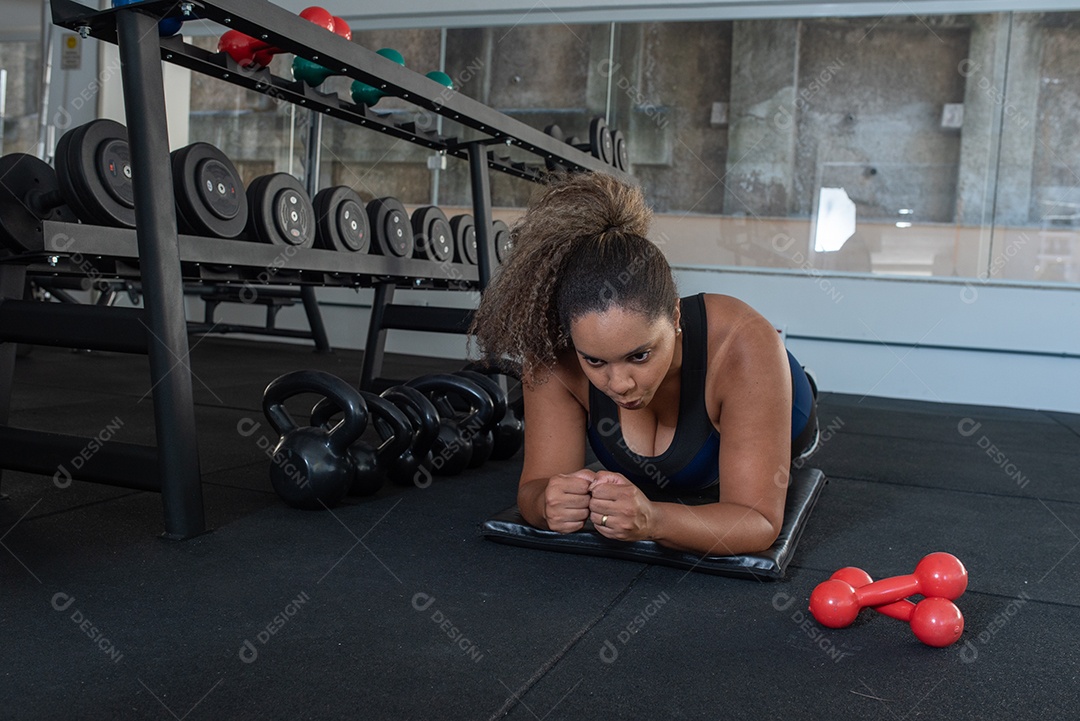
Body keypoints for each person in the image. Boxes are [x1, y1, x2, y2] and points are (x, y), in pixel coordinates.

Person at [469, 172, 817, 556]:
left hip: (775, 396)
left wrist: (654, 520)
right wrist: (545, 503)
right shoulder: (555, 357)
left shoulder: (742, 345)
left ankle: (793, 387)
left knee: (774, 421)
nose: (619, 384)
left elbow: (758, 522)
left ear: (676, 317)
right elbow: (536, 487)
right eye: (595, 361)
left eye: (639, 355)